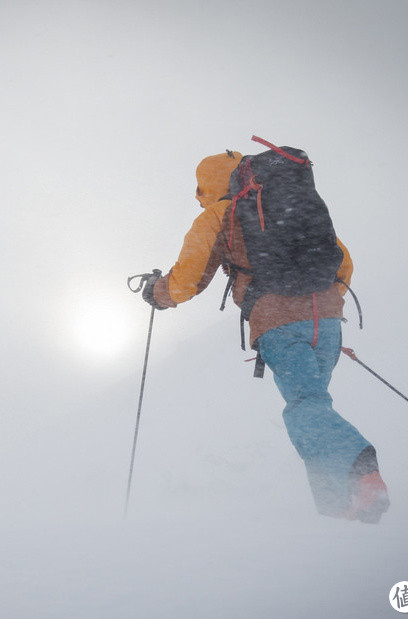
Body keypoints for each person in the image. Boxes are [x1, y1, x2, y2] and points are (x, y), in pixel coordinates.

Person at [140, 148, 390, 523]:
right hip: (328, 322)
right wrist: (319, 310)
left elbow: (188, 281)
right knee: (313, 408)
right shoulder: (293, 203)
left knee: (305, 408)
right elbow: (344, 263)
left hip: (278, 322)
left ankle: (363, 470)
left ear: (208, 185)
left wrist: (156, 294)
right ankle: (339, 513)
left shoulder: (218, 215)